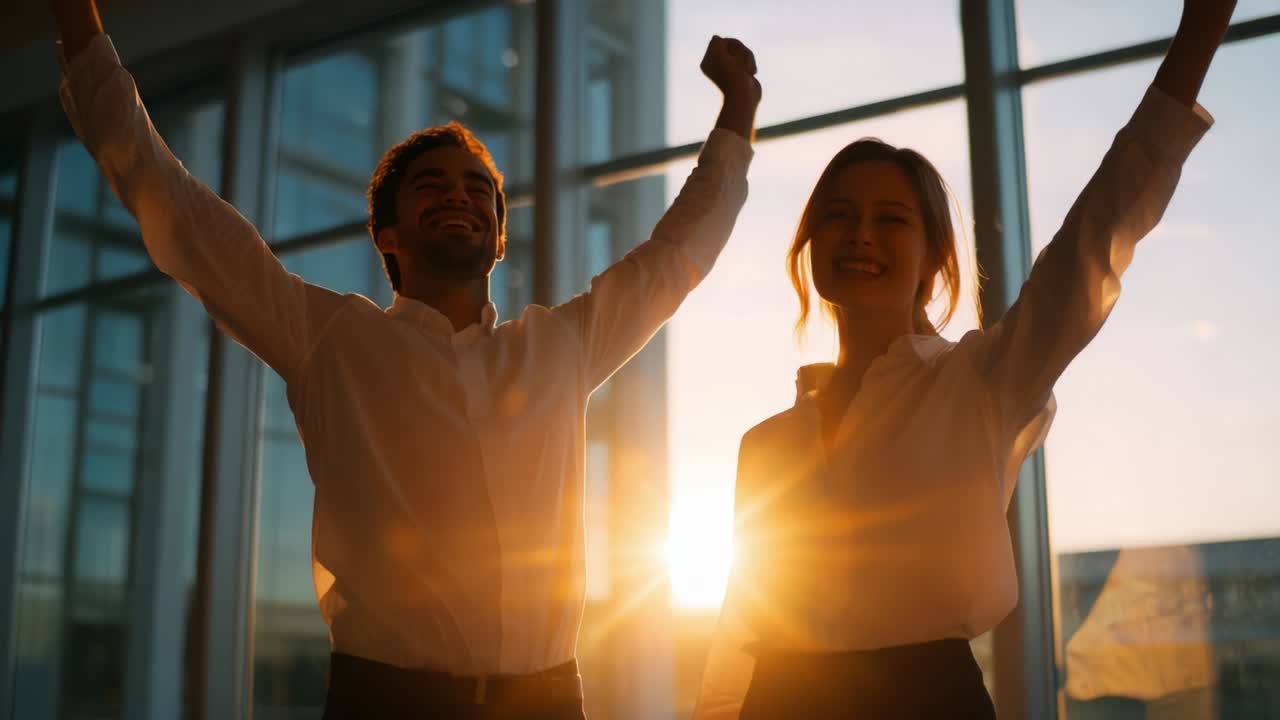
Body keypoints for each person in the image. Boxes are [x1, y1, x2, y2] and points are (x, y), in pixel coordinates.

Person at [50, 1, 760, 717]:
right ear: (385, 236)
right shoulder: (327, 337)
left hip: (547, 702)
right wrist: (78, 23)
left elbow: (675, 258)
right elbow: (173, 204)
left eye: (478, 188)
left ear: (498, 237)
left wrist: (738, 112)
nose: (460, 194)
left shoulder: (560, 347)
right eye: (432, 185)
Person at [692, 1, 1232, 717]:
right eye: (838, 216)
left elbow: (1098, 228)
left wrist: (1199, 35)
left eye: (891, 220)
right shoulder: (765, 445)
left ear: (932, 258)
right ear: (808, 245)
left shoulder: (980, 382)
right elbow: (739, 635)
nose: (860, 237)